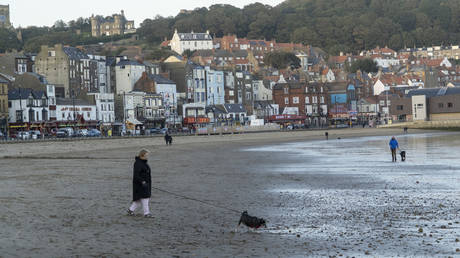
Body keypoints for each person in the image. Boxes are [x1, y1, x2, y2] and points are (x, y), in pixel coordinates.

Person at [127, 149, 153, 218]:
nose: (147, 156)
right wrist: (142, 181)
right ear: (142, 155)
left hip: (145, 184)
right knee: (145, 198)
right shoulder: (138, 163)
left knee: (139, 199)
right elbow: (136, 175)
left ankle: (130, 210)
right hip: (140, 185)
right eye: (146, 155)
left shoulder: (143, 162)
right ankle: (146, 213)